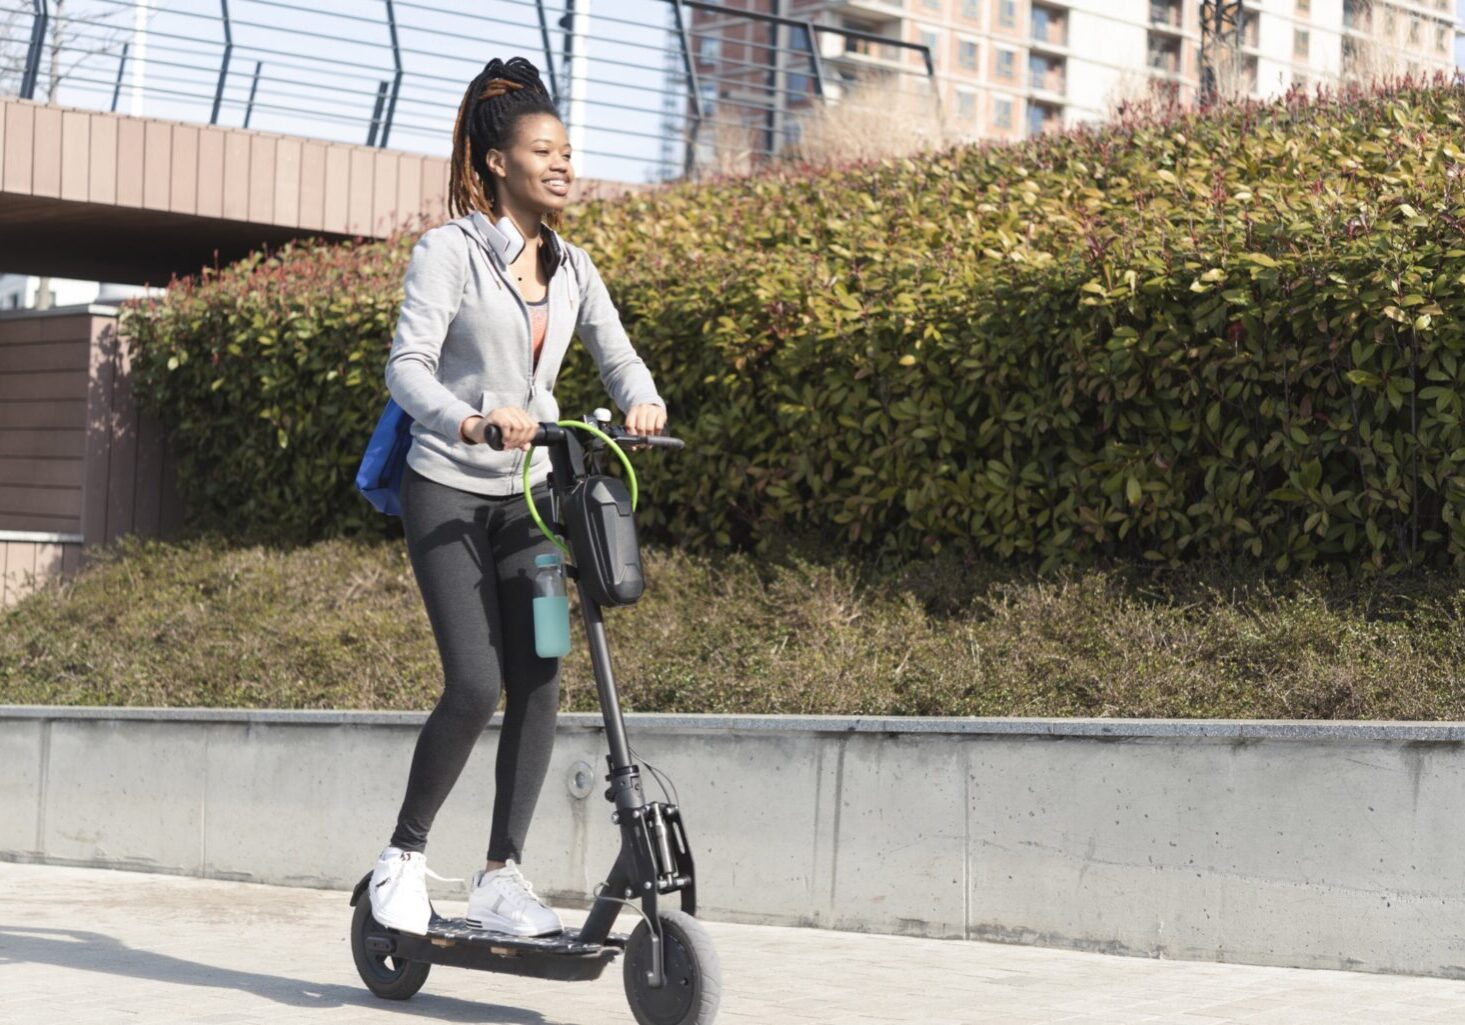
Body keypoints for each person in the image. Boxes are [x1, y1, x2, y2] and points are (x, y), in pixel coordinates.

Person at [368, 56, 667, 938]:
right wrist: (468, 421)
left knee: (540, 679)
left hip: (534, 501)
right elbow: (407, 367)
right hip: (449, 492)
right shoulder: (449, 251)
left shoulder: (574, 267)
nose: (564, 163)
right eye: (545, 149)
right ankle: (403, 858)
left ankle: (502, 874)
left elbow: (617, 355)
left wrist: (644, 400)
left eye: (569, 149)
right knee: (474, 682)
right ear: (499, 161)